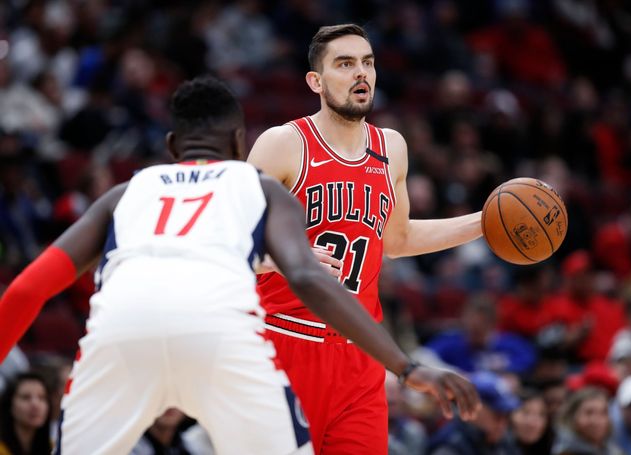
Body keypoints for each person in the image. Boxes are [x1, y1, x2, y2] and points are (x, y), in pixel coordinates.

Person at [0, 76, 479, 454]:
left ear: (171, 146)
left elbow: (24, 293)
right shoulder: (255, 187)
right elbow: (310, 277)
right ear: (238, 144)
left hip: (118, 337)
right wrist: (407, 366)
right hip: (218, 338)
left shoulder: (125, 194)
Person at [248, 23, 483, 454]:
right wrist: (290, 259)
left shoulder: (391, 147)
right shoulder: (283, 143)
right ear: (315, 82)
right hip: (282, 344)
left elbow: (398, 239)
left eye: (368, 63)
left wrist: (485, 222)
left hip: (360, 355)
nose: (362, 73)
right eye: (345, 64)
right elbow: (228, 244)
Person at [428, 371, 522, 455]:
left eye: (506, 415)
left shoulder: (503, 441)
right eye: (497, 414)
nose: (502, 423)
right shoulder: (450, 445)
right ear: (471, 406)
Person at [552, 387, 623, 455]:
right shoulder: (565, 452)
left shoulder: (614, 451)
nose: (596, 420)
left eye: (603, 413)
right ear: (572, 416)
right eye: (589, 413)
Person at [0, 372, 52, 455]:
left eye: (42, 397)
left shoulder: (56, 448)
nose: (35, 404)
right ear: (9, 405)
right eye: (26, 397)